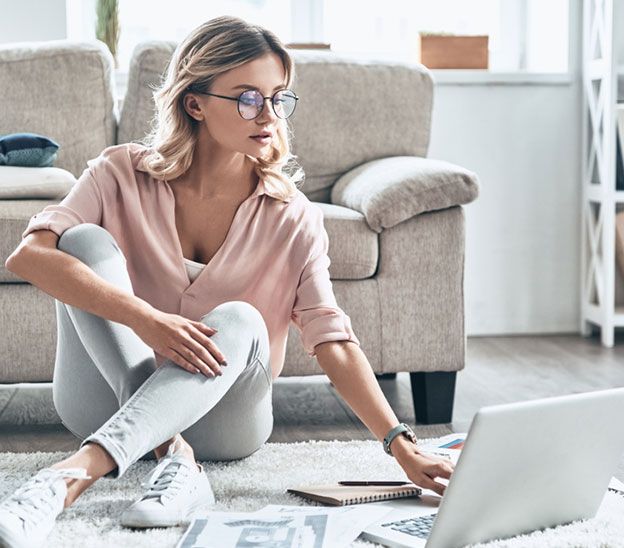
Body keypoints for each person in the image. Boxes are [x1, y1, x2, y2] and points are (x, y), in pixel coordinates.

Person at [1, 15, 454, 548]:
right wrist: (147, 320)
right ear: (194, 102)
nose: (268, 115)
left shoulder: (293, 215)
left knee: (240, 318)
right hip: (102, 397)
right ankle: (174, 457)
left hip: (224, 420)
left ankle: (70, 477)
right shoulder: (118, 172)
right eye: (246, 98)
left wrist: (401, 442)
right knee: (80, 244)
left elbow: (332, 339)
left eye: (278, 97)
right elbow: (28, 258)